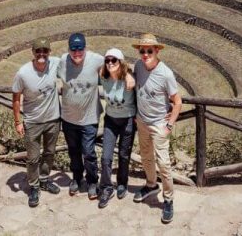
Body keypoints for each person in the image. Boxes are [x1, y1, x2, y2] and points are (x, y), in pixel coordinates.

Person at [132, 33, 182, 224]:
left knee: (164, 163)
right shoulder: (138, 65)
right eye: (142, 51)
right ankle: (151, 185)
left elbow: (177, 102)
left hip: (159, 124)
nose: (145, 54)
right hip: (142, 122)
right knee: (146, 156)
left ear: (157, 50)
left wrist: (169, 125)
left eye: (149, 51)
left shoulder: (166, 73)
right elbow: (135, 85)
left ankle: (168, 199)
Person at [11, 37, 62, 208]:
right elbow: (16, 98)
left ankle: (45, 180)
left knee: (49, 153)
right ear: (32, 53)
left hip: (53, 120)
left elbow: (76, 60)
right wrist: (18, 121)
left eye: (45, 51)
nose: (42, 54)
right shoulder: (23, 73)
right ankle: (34, 187)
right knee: (33, 158)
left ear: (49, 52)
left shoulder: (55, 63)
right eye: (38, 51)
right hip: (32, 122)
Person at [58, 32, 104, 199]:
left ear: (85, 48)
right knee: (73, 151)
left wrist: (128, 77)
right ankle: (76, 178)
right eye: (73, 50)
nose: (77, 53)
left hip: (89, 118)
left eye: (80, 49)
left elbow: (117, 66)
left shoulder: (96, 59)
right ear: (69, 49)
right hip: (68, 118)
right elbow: (45, 69)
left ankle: (92, 181)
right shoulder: (62, 61)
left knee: (89, 152)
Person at [97, 48, 136, 209]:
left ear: (121, 62)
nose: (110, 63)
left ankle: (122, 184)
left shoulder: (130, 79)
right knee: (106, 157)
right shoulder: (103, 77)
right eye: (107, 60)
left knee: (124, 155)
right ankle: (106, 188)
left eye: (114, 60)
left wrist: (127, 74)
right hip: (111, 121)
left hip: (127, 121)